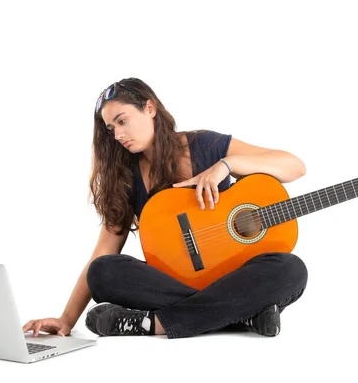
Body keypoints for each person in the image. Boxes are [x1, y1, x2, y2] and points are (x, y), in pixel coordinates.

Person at [22, 77, 308, 339]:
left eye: (122, 121)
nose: (118, 134)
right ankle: (241, 314)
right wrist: (66, 319)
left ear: (150, 108)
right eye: (111, 129)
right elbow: (103, 251)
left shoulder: (205, 145)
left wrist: (227, 165)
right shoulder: (125, 177)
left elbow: (294, 167)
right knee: (103, 271)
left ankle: (155, 323)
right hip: (172, 281)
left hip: (233, 276)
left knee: (291, 269)